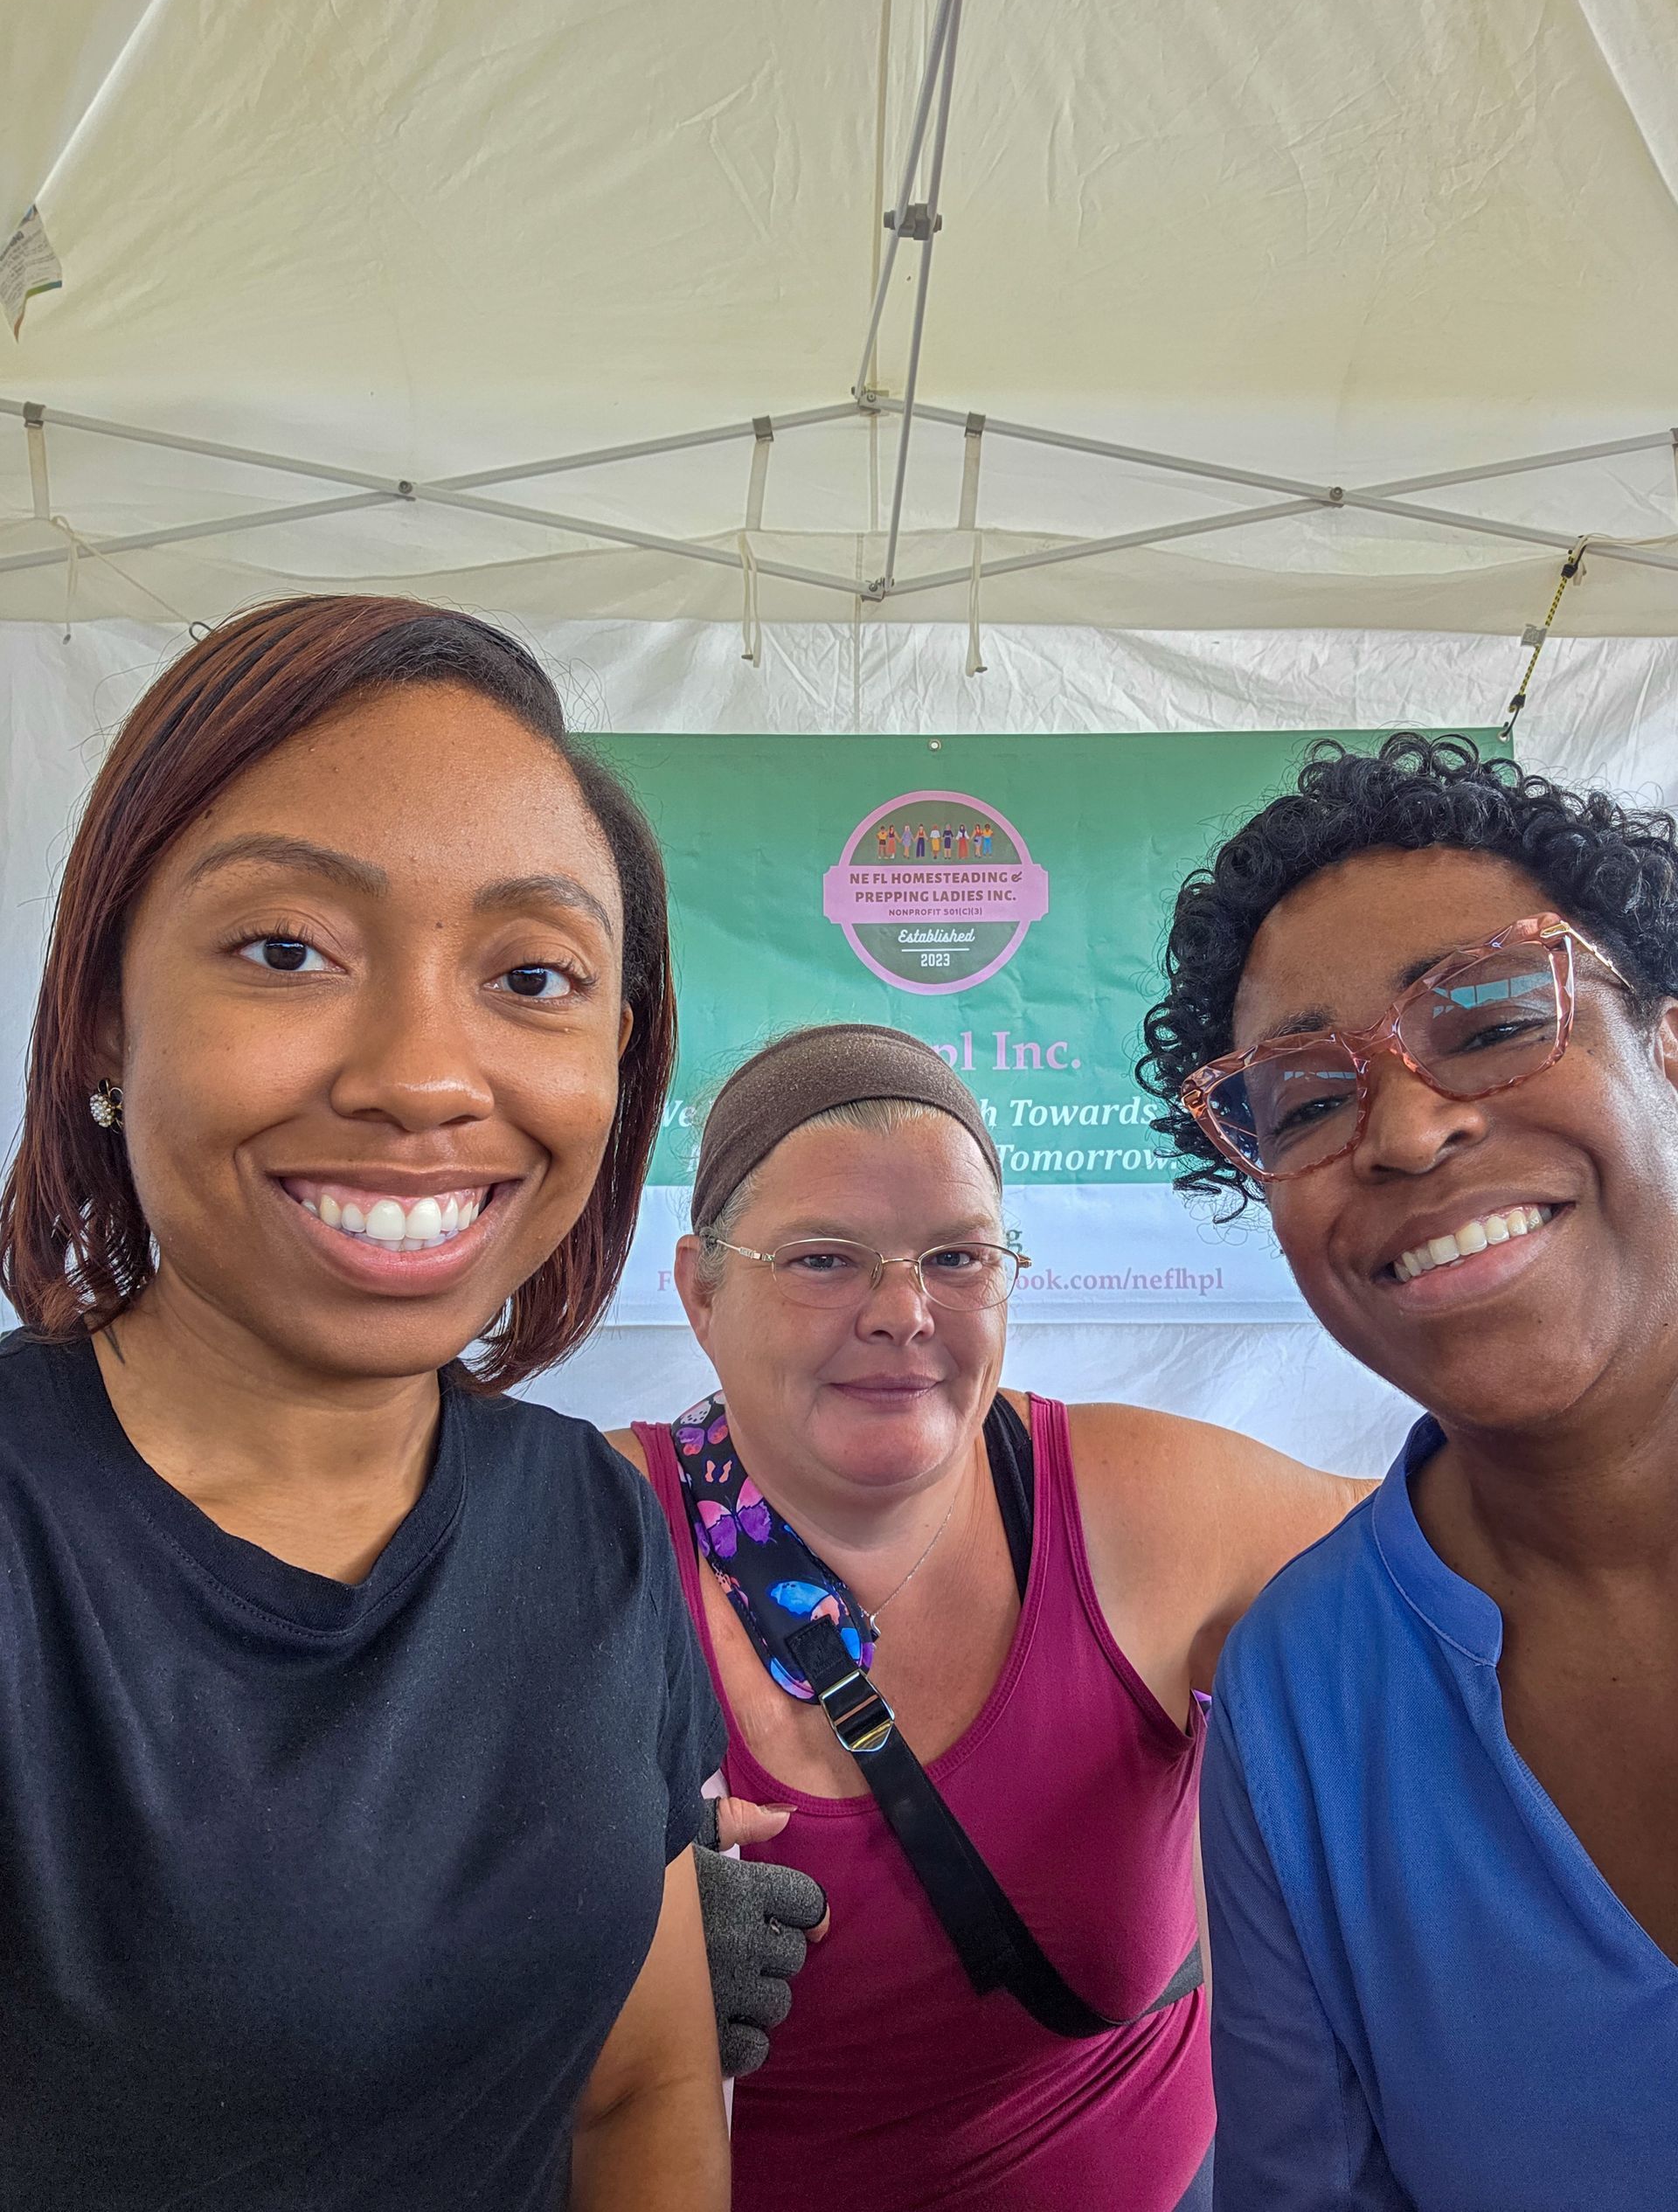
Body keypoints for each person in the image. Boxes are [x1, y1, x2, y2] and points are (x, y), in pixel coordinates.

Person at [0, 595, 729, 2211]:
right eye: (287, 950)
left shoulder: (595, 1522)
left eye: (533, 976)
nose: (422, 1073)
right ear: (109, 1013)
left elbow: (646, 2091)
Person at [607, 1023, 1371, 2212]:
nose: (903, 1312)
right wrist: (581, 1941)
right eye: (822, 1259)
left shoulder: (1142, 1509)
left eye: (958, 1259)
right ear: (702, 1290)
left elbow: (1500, 1574)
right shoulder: (580, 1545)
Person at [1139, 733, 1678, 2209]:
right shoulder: (1304, 1694)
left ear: (1668, 1044)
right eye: (1305, 1100)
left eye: (1493, 1015)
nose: (1409, 1125)